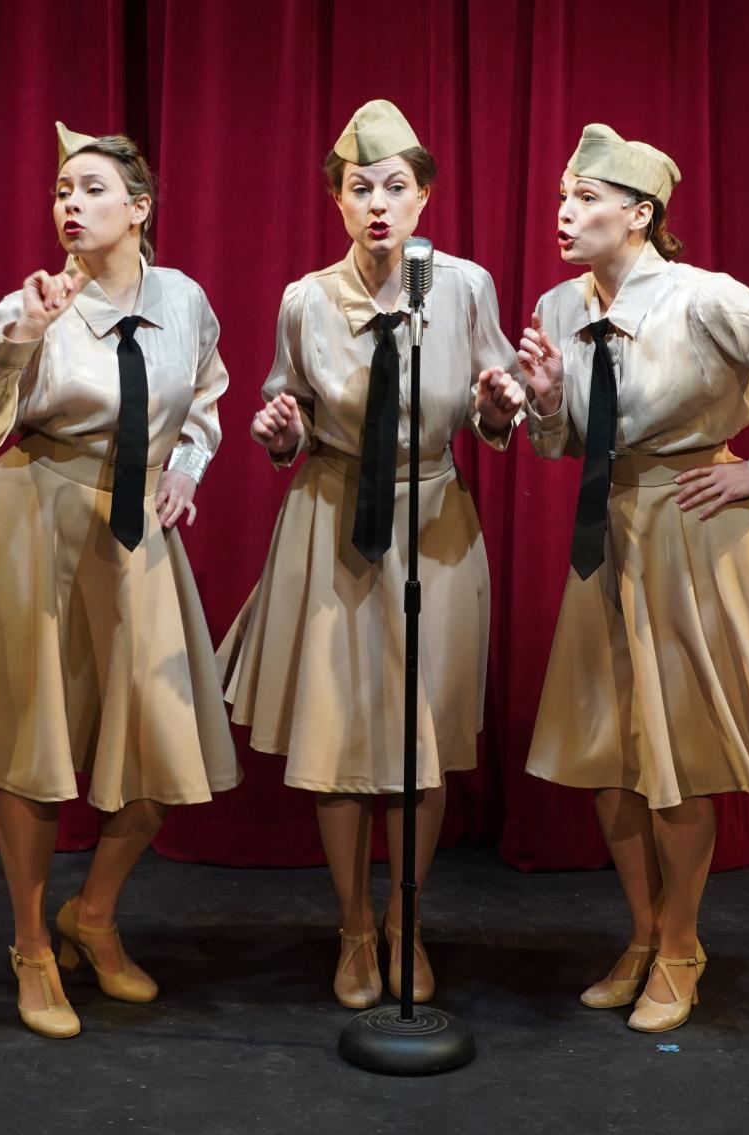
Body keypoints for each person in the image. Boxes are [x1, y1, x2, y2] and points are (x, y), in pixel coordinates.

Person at [517, 124, 749, 1033]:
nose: (564, 212)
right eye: (561, 197)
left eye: (585, 199)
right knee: (609, 750)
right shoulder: (557, 307)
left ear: (640, 213)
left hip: (692, 526)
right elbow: (560, 443)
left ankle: (680, 944)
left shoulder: (705, 298)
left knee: (677, 756)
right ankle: (641, 933)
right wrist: (546, 402)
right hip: (607, 530)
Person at [0, 122, 239, 1038]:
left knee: (156, 745)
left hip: (137, 529)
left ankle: (90, 915)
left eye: (92, 188)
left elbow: (205, 394)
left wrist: (188, 462)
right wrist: (21, 337)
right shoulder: (31, 304)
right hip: (36, 520)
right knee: (38, 748)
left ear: (139, 209)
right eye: (62, 189)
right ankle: (30, 943)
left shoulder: (182, 297)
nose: (70, 203)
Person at [217, 100, 524, 1009]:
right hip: (334, 520)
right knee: (340, 734)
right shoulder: (306, 299)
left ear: (424, 197)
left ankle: (409, 920)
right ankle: (354, 926)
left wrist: (502, 409)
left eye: (396, 187)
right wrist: (281, 431)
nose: (379, 205)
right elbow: (288, 408)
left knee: (418, 740)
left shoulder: (463, 288)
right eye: (361, 190)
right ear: (338, 202)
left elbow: (490, 400)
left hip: (433, 525)